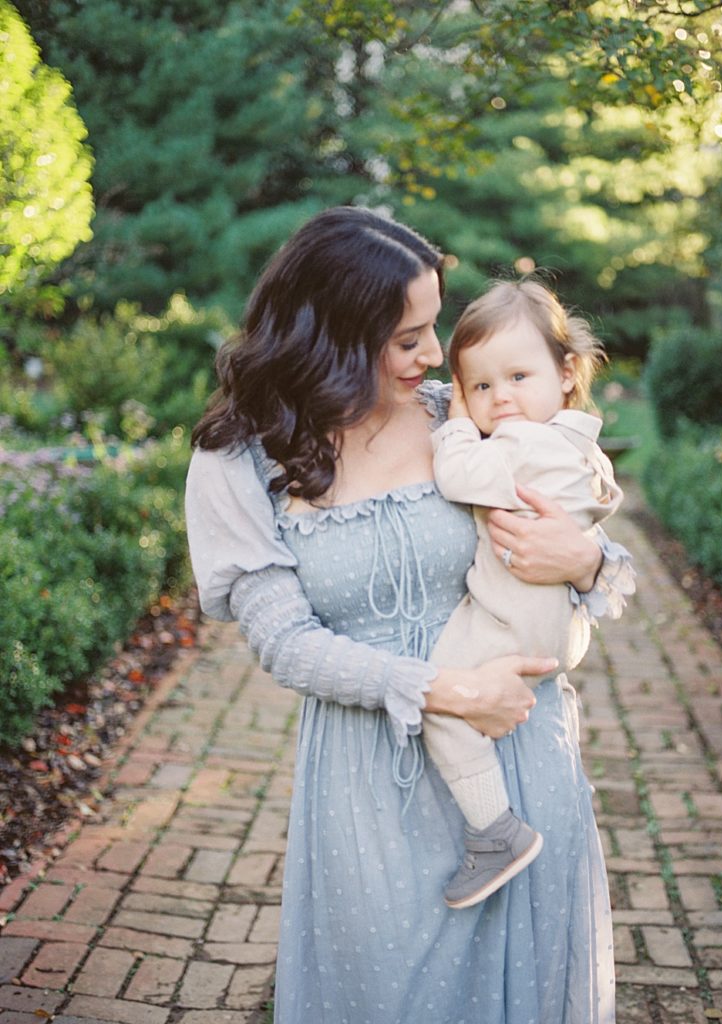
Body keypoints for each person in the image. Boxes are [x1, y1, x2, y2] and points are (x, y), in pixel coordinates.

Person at [185, 206, 633, 1024]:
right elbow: (286, 644)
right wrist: (447, 693)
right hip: (370, 778)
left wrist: (585, 561)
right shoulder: (239, 458)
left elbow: (587, 528)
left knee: (523, 990)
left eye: (432, 328)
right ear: (330, 337)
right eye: (406, 338)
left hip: (518, 748)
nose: (434, 356)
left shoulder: (454, 416)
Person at [424, 280, 627, 912]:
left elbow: (457, 476)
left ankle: (494, 830)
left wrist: (459, 425)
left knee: (436, 699)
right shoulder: (578, 445)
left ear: (568, 372)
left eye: (517, 375)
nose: (500, 397)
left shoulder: (517, 443)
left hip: (515, 617)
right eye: (480, 386)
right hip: (555, 622)